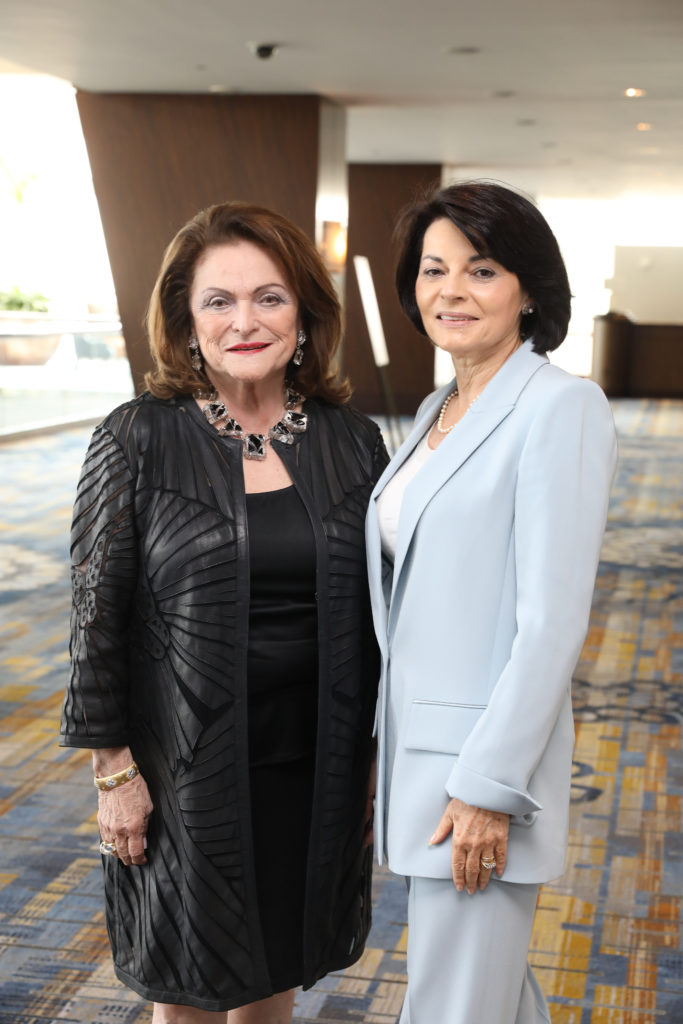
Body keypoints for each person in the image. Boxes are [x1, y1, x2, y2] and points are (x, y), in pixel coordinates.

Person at [60, 200, 388, 1023]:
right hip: (184, 765)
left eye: (269, 297)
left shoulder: (351, 442)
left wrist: (376, 758)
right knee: (191, 979)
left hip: (316, 758)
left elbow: (380, 615)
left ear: (304, 315)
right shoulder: (137, 439)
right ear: (186, 322)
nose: (245, 321)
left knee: (277, 959)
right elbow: (94, 617)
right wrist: (114, 773)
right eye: (219, 301)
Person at [365, 181, 617, 1023]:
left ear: (529, 290)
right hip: (419, 757)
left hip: (477, 778)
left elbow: (551, 624)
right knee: (491, 1002)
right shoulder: (439, 406)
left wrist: (489, 786)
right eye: (432, 270)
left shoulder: (559, 406)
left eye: (480, 271)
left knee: (454, 1007)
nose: (450, 291)